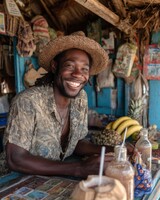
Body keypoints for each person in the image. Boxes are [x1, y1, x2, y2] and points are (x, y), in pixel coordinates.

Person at [4, 31, 114, 178]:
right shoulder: (28, 102)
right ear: (55, 66)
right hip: (13, 183)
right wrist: (78, 168)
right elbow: (15, 159)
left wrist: (111, 150)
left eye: (84, 69)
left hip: (51, 182)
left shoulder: (81, 98)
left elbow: (76, 144)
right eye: (69, 66)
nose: (77, 74)